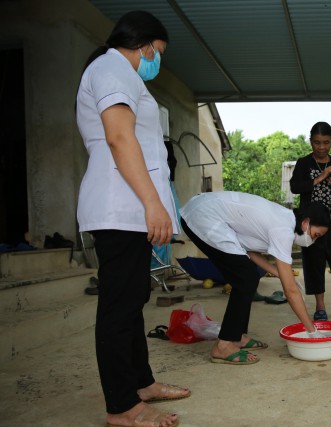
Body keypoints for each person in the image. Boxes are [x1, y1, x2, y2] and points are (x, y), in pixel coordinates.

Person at [76, 10, 189, 427]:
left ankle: (140, 383)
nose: (156, 61)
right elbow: (119, 137)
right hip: (119, 207)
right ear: (143, 45)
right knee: (118, 310)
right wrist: (153, 204)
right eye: (157, 53)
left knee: (133, 300)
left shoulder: (124, 74)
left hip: (130, 210)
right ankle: (123, 407)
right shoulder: (111, 67)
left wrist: (154, 204)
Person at [179, 191, 331, 365]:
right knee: (246, 279)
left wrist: (281, 274)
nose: (313, 240)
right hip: (202, 215)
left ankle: (236, 337)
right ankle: (223, 345)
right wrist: (312, 331)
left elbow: (250, 252)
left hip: (203, 210)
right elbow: (290, 292)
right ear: (306, 222)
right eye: (316, 235)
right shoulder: (283, 229)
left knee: (248, 276)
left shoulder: (285, 220)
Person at [290, 122, 331, 322]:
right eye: (317, 142)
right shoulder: (304, 163)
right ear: (311, 141)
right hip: (312, 226)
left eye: (326, 142)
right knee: (314, 263)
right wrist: (321, 177)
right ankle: (320, 307)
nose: (321, 147)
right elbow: (295, 187)